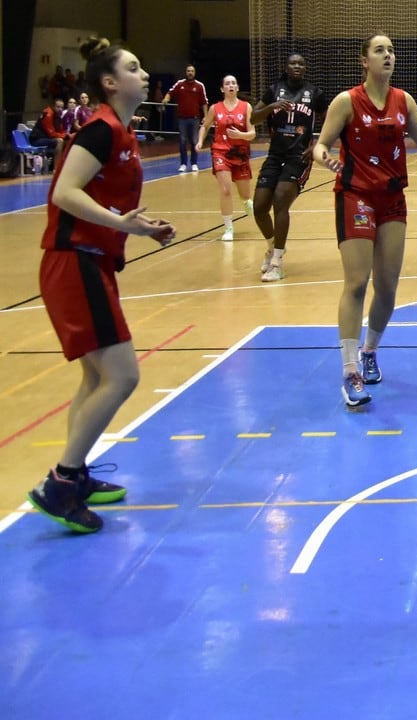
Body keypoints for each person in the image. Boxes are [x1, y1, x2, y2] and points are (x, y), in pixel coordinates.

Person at [28, 36, 175, 533]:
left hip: (90, 262)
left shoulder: (124, 133)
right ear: (110, 82)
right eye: (133, 68)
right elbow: (64, 193)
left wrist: (141, 226)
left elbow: (106, 204)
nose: (144, 73)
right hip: (74, 263)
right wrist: (124, 225)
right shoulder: (99, 130)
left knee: (96, 379)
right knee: (123, 376)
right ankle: (61, 483)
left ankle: (77, 474)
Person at [313, 34, 417, 407]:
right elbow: (320, 146)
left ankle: (370, 350)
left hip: (391, 200)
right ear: (364, 60)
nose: (388, 55)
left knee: (387, 288)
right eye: (379, 50)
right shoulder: (346, 102)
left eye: (391, 51)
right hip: (354, 195)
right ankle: (350, 370)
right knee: (357, 282)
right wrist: (325, 158)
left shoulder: (404, 101)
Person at [250, 52, 328, 283]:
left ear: (305, 68)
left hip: (299, 157)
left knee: (281, 200)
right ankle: (272, 246)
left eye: (301, 64)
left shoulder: (314, 93)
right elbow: (253, 118)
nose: (297, 66)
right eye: (293, 63)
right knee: (259, 206)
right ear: (286, 66)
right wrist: (271, 106)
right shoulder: (274, 90)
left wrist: (318, 143)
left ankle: (277, 262)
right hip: (275, 155)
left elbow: (331, 120)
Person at [195, 75, 255, 242]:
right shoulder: (215, 108)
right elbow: (205, 126)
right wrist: (200, 141)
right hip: (220, 152)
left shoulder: (246, 107)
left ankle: (246, 202)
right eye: (227, 83)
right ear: (222, 89)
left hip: (240, 153)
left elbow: (252, 134)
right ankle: (228, 228)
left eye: (233, 83)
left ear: (237, 88)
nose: (231, 85)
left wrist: (240, 134)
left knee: (245, 195)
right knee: (226, 190)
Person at [162, 65, 207, 173]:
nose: (190, 73)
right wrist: (166, 99)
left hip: (195, 118)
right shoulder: (180, 84)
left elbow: (204, 102)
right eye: (188, 71)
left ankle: (194, 163)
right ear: (186, 72)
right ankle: (183, 163)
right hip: (182, 118)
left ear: (194, 73)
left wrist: (206, 116)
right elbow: (170, 92)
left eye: (192, 71)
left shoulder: (200, 86)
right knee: (182, 141)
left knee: (194, 141)